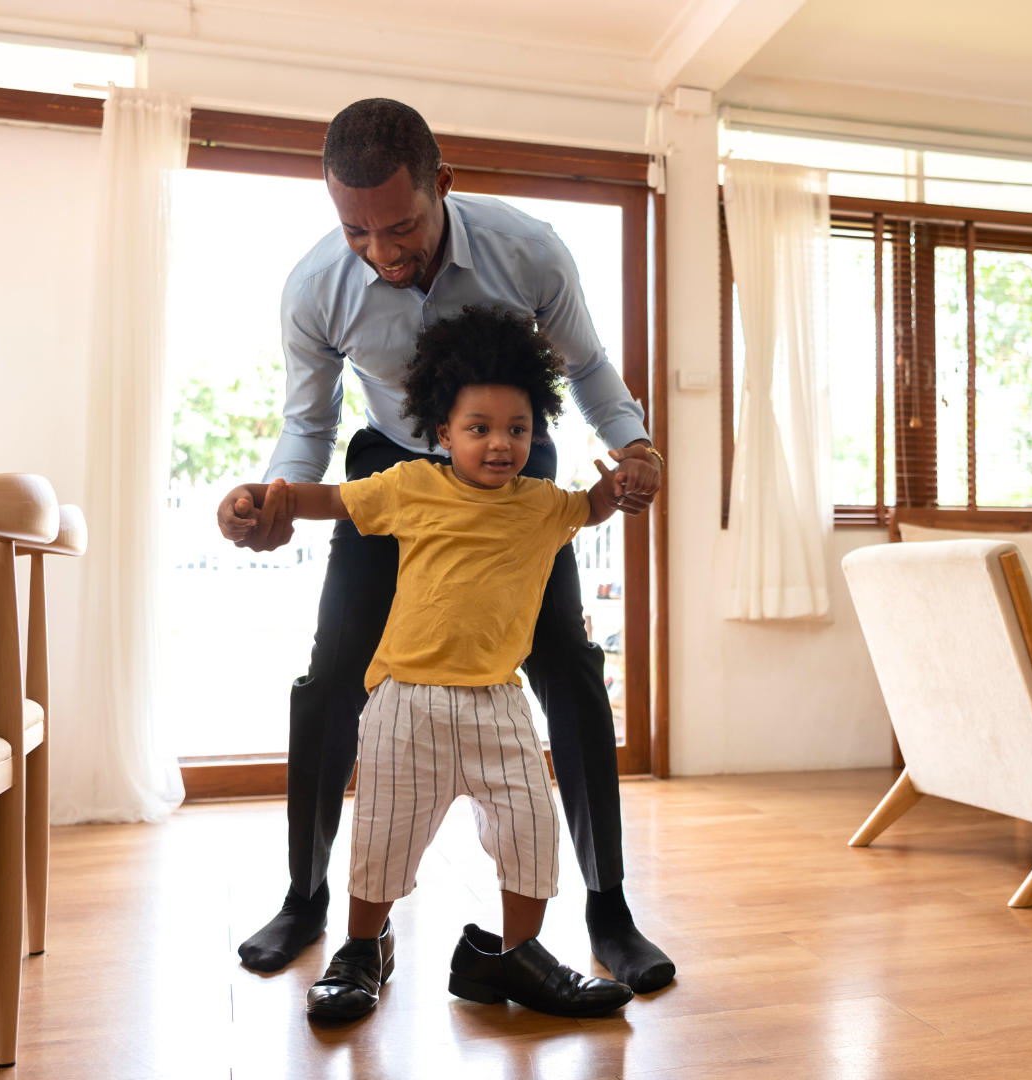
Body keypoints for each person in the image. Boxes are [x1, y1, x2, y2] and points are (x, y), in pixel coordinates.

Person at [217, 97, 674, 993]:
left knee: (568, 667)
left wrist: (636, 446)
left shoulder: (527, 247)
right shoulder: (316, 287)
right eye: (356, 231)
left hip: (510, 459)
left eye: (402, 227)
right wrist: (272, 499)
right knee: (334, 672)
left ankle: (609, 908)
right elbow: (305, 425)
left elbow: (584, 367)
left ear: (444, 188)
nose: (383, 253)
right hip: (392, 466)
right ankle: (308, 897)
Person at [223, 307, 649, 1019]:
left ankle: (517, 960)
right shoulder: (410, 486)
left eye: (517, 430)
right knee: (383, 840)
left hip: (498, 703)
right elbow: (327, 498)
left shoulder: (544, 505)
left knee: (531, 832)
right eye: (479, 429)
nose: (500, 444)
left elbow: (596, 505)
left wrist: (628, 478)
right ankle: (363, 948)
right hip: (405, 701)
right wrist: (261, 499)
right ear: (442, 432)